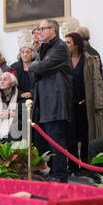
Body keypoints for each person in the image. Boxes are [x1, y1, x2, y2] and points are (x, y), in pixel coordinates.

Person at [30, 19, 73, 183]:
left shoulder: (60, 47)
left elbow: (38, 68)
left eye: (42, 29)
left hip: (56, 103)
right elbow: (35, 72)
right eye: (38, 29)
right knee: (48, 142)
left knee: (57, 141)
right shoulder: (46, 49)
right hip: (46, 103)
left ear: (52, 30)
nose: (39, 32)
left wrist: (37, 66)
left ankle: (60, 175)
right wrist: (37, 66)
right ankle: (54, 172)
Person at [64, 32, 103, 176]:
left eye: (68, 42)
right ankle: (73, 166)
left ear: (76, 44)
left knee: (86, 135)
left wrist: (94, 101)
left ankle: (86, 165)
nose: (66, 45)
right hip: (68, 105)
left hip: (84, 104)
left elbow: (96, 82)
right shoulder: (64, 60)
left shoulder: (89, 60)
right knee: (71, 137)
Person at [0, 72, 26, 144]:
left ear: (12, 83)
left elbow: (25, 113)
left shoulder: (20, 96)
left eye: (5, 79)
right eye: (0, 80)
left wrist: (12, 114)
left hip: (14, 125)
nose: (2, 82)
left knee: (14, 130)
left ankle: (11, 155)